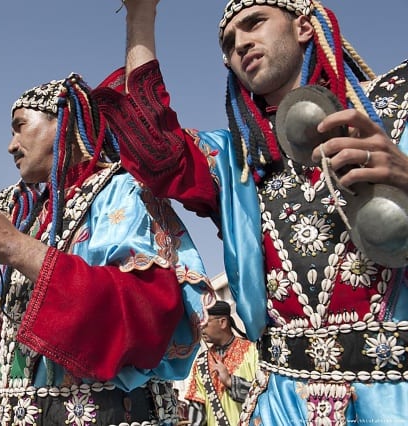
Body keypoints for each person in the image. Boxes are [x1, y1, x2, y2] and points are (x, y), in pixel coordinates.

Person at [94, 0, 408, 424]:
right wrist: (140, 15)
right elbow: (152, 148)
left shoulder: (395, 107)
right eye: (228, 41)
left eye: (254, 23)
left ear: (302, 27)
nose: (240, 42)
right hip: (284, 403)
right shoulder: (238, 161)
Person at [0, 73, 215, 425]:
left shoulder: (123, 192)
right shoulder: (37, 220)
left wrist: (12, 245)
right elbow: (3, 372)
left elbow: (150, 318)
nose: (10, 145)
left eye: (20, 126)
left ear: (63, 122)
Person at [184, 301, 257, 426]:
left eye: (204, 322)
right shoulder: (201, 363)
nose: (200, 327)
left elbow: (265, 396)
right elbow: (197, 410)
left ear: (222, 322)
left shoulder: (252, 350)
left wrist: (230, 382)